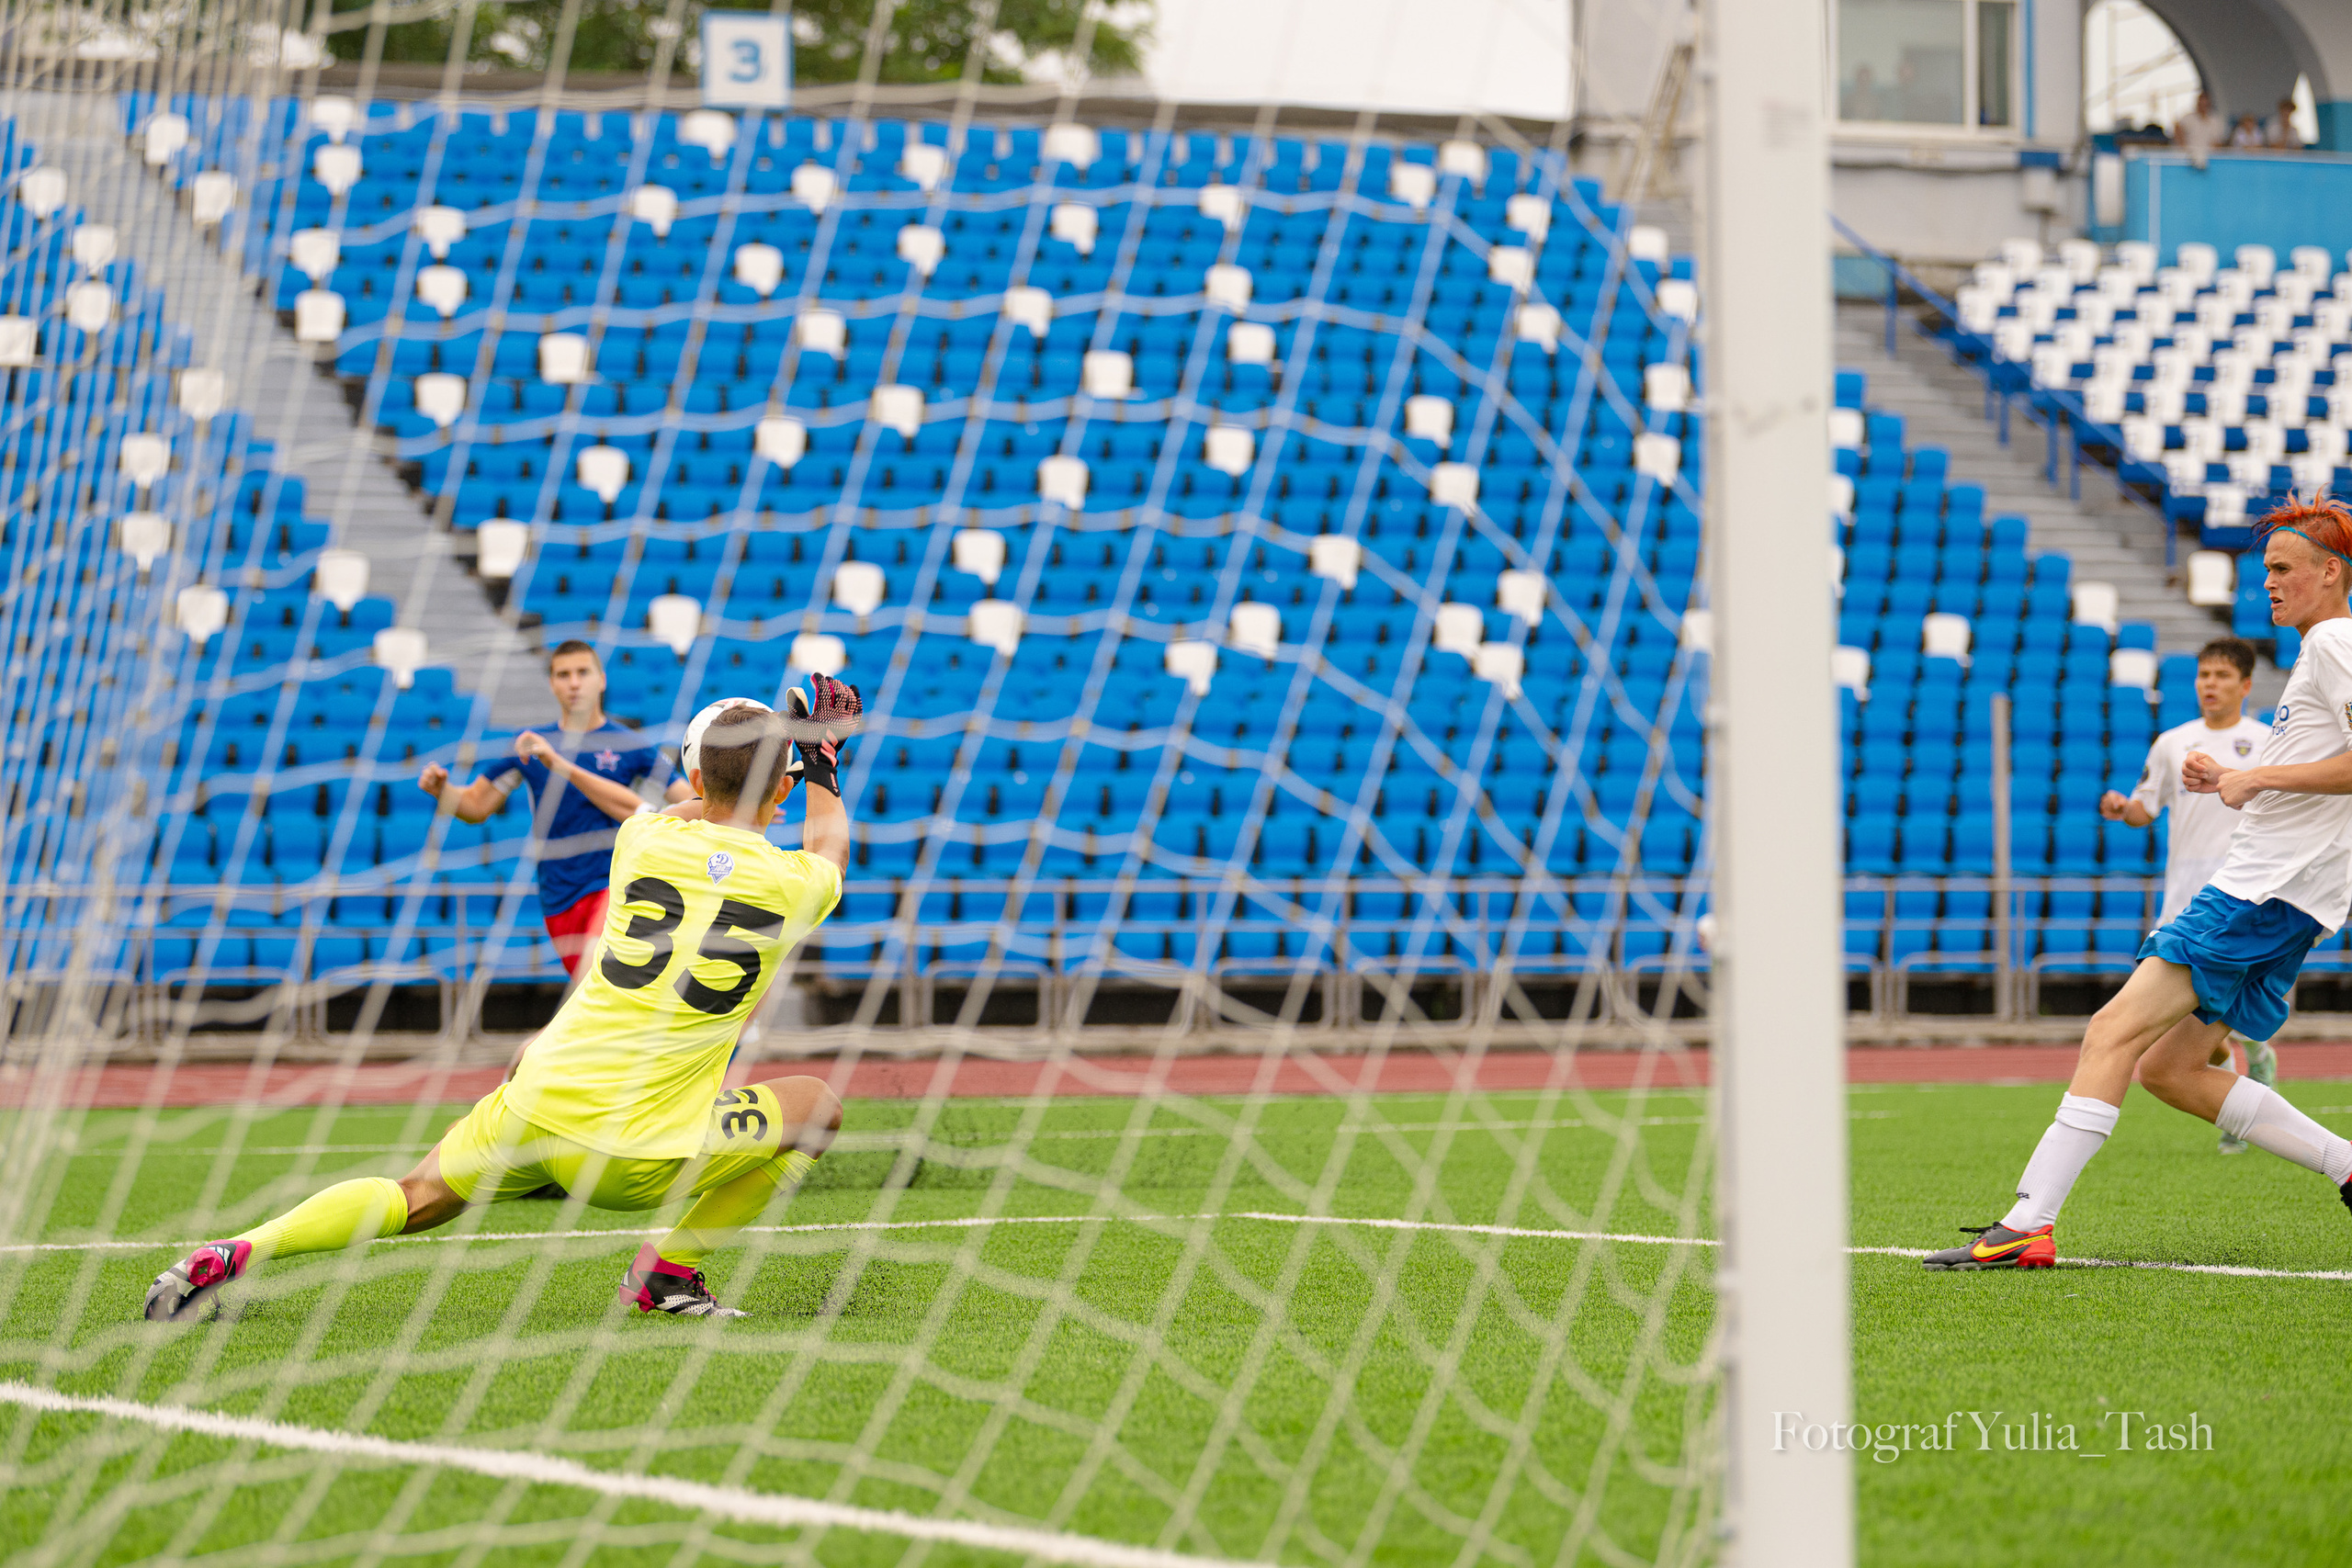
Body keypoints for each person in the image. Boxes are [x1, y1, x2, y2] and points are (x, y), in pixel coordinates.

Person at [144, 681, 864, 1321]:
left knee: (414, 1195)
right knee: (817, 1106)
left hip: (536, 1100)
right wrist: (821, 760)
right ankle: (665, 1272)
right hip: (634, 1154)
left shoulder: (642, 838)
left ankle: (239, 1248)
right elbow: (828, 844)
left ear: (697, 775)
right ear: (783, 791)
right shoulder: (793, 882)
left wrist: (764, 765)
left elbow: (694, 808)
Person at [1926, 497, 2352, 1270]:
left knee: (2110, 1032)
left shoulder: (2332, 641)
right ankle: (2347, 1165)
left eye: (2282, 568)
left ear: (2331, 572)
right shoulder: (2319, 651)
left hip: (2257, 893)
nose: (2268, 583)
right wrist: (2235, 780)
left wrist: (2252, 779)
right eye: (2265, 570)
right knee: (2168, 1068)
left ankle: (2028, 1221)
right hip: (2282, 899)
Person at [2098, 637, 2280, 1151]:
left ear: (2245, 685)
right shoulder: (2173, 742)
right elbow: (2144, 809)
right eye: (2204, 675)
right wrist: (2122, 808)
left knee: (2211, 1009)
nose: (2210, 684)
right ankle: (2247, 1067)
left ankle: (2246, 1084)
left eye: (2222, 676)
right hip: (2183, 899)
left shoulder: (2267, 743)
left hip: (2244, 895)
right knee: (2173, 1019)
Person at [417, 640, 692, 976]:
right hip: (559, 893)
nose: (574, 683)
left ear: (601, 680)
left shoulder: (630, 743)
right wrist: (443, 791)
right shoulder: (530, 746)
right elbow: (476, 806)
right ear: (551, 684)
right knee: (590, 991)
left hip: (614, 884)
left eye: (583, 672)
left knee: (598, 975)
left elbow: (687, 800)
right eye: (564, 675)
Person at [2175, 93, 2226, 170]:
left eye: (2205, 105)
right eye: (2201, 104)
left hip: (2209, 156)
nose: (2203, 107)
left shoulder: (2215, 121)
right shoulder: (2189, 118)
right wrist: (2183, 146)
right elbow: (2177, 127)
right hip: (2190, 154)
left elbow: (2219, 140)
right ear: (2197, 104)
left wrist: (2214, 150)